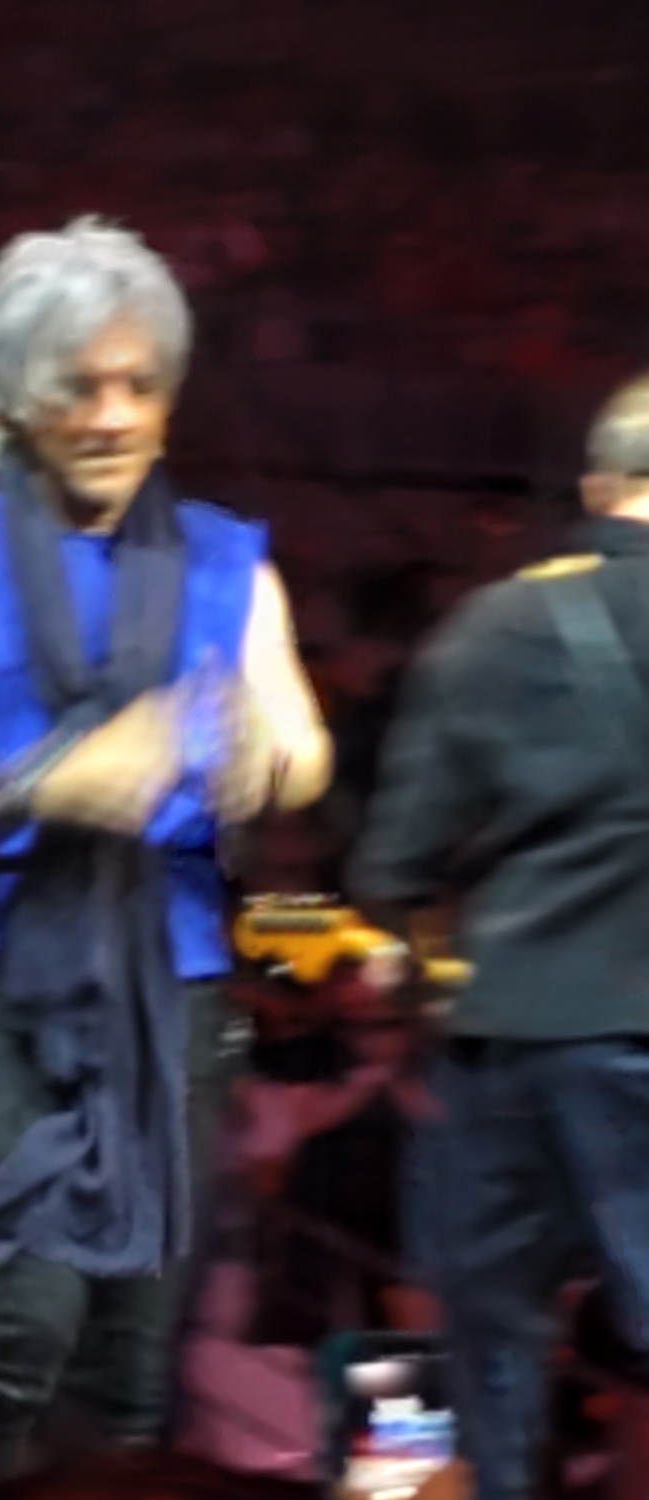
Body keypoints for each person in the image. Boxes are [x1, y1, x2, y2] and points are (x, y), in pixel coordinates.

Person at [0, 218, 331, 1498]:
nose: (112, 415)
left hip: (172, 982)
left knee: (136, 1362)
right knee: (32, 1314)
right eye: (77, 386)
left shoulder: (228, 560)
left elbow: (302, 748)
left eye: (140, 384)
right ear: (13, 396)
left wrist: (259, 762)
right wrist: (50, 781)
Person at [350, 372, 649, 1500]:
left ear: (598, 487)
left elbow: (391, 866)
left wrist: (419, 978)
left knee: (442, 1327)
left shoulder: (490, 625)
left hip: (501, 1040)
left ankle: (411, 1492)